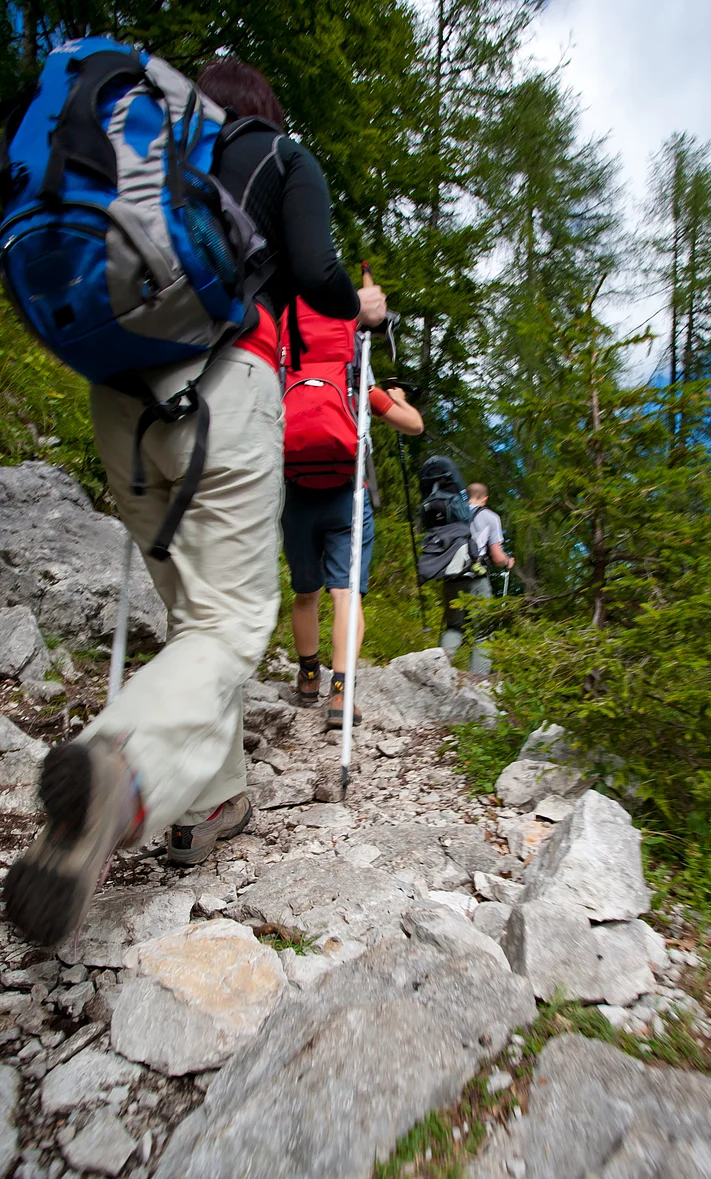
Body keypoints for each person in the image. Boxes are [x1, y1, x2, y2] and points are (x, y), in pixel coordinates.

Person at [3, 56, 388, 945]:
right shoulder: (278, 155)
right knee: (228, 624)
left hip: (117, 403)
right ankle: (121, 768)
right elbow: (318, 273)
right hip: (223, 387)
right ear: (264, 106)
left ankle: (212, 804)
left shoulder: (138, 151)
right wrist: (358, 306)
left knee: (193, 622)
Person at [282, 316, 424, 730]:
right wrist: (395, 398)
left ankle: (309, 678)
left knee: (305, 592)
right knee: (345, 595)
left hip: (295, 493)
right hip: (346, 493)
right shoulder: (354, 378)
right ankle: (341, 694)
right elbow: (413, 425)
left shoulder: (283, 370)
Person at [440, 483, 514, 676]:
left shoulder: (451, 513)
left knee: (454, 627)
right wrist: (508, 561)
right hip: (475, 578)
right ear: (485, 498)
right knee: (483, 632)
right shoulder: (490, 517)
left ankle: (437, 671)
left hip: (450, 577)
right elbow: (497, 557)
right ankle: (479, 682)